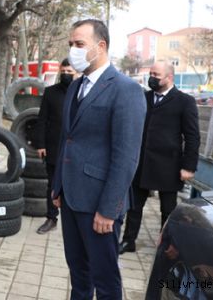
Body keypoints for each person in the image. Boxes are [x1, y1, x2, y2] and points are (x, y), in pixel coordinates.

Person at [51, 19, 146, 299]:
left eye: (79, 44)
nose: (73, 51)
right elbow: (66, 140)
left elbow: (126, 157)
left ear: (100, 46)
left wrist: (109, 208)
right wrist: (57, 186)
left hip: (100, 205)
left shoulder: (125, 89)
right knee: (79, 275)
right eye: (71, 45)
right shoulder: (75, 87)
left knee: (104, 280)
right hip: (71, 197)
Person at [118, 60, 200, 254]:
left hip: (169, 165)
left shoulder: (184, 101)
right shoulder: (143, 97)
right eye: (151, 74)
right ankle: (129, 241)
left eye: (156, 75)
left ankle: (166, 247)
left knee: (168, 209)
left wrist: (189, 167)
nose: (151, 78)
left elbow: (192, 136)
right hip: (142, 163)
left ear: (169, 78)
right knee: (135, 206)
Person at [34, 59, 77, 234]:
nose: (66, 74)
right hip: (53, 147)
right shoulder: (50, 92)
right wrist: (40, 144)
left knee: (73, 184)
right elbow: (42, 119)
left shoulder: (82, 92)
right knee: (52, 184)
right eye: (64, 70)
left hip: (76, 149)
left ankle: (73, 220)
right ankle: (51, 218)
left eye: (70, 71)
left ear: (76, 73)